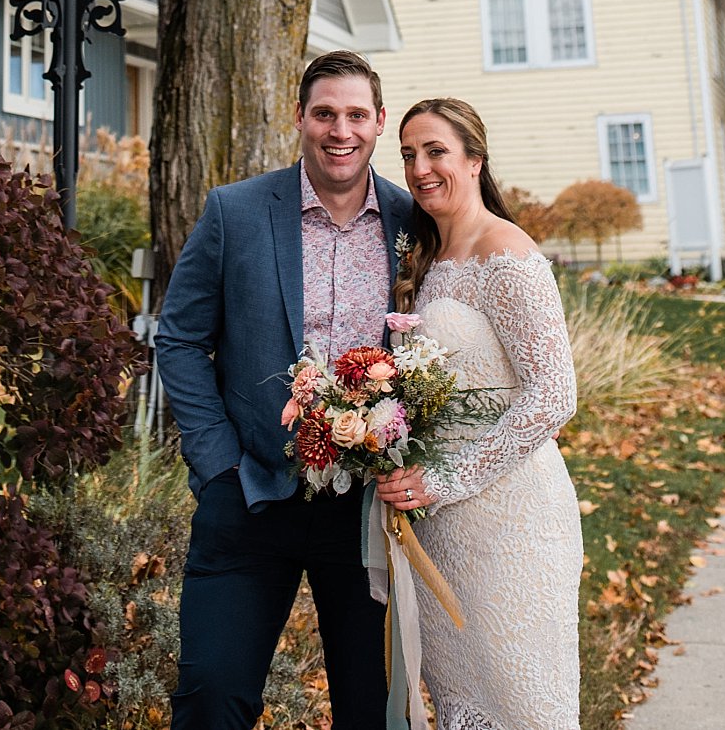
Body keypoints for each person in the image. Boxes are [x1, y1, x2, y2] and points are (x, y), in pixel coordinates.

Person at [156, 49, 414, 730]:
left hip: (366, 514)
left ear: (379, 121)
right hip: (250, 495)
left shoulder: (413, 223)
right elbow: (178, 338)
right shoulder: (235, 212)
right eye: (325, 113)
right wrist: (217, 464)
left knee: (370, 709)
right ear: (299, 116)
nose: (340, 130)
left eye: (356, 114)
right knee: (212, 696)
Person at [375, 97, 582, 730]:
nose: (419, 168)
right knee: (465, 706)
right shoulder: (426, 259)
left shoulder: (506, 252)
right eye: (408, 154)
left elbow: (553, 394)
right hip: (439, 530)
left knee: (524, 706)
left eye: (436, 151)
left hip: (511, 521)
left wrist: (443, 480)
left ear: (474, 159)